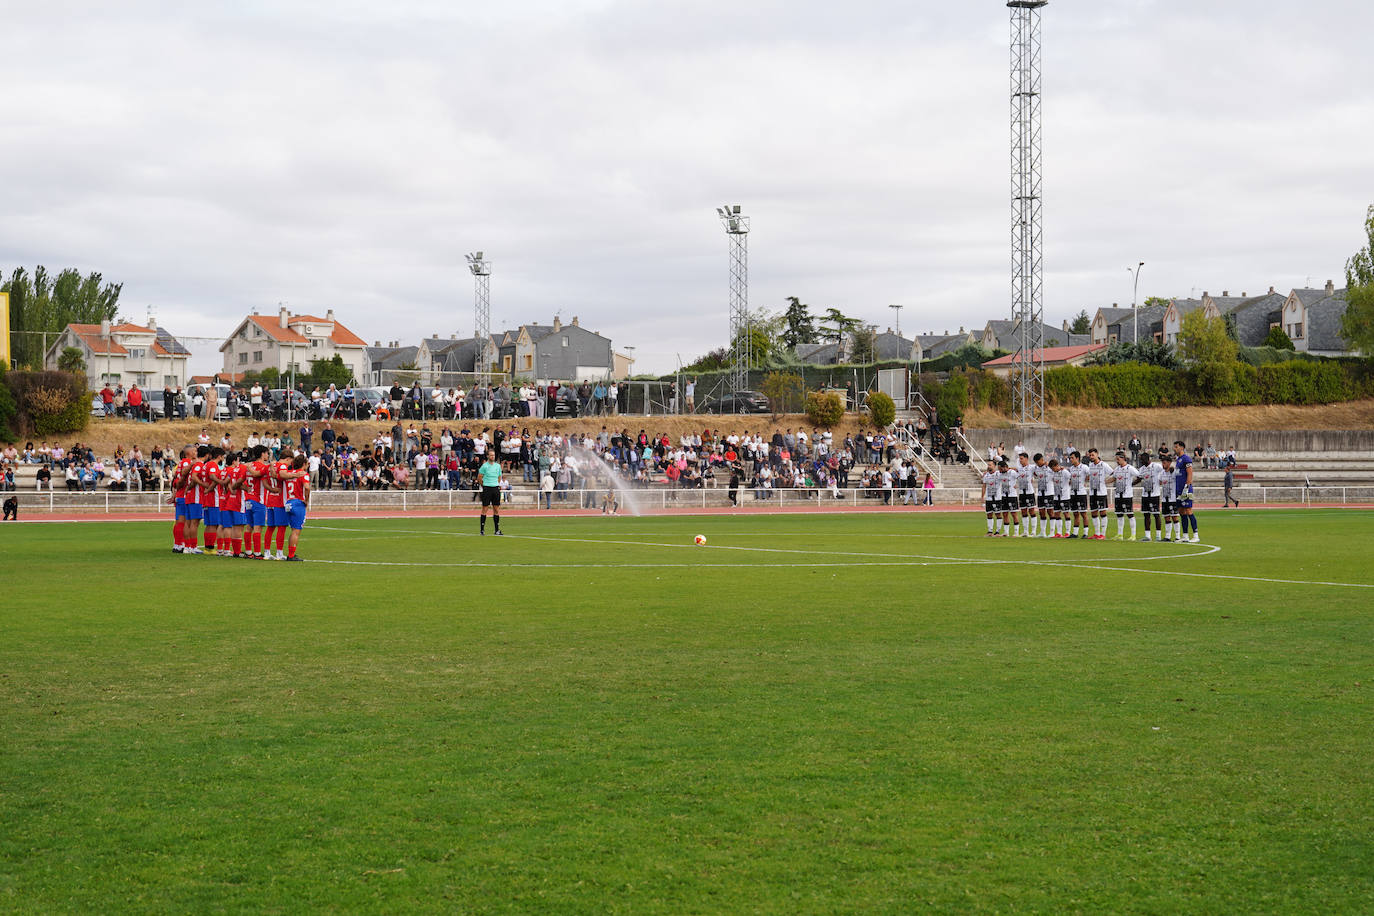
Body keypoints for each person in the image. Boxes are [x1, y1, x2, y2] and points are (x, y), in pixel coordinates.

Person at [281, 453, 311, 560]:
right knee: (296, 531)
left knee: (293, 530)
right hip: (298, 503)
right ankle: (291, 555)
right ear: (303, 464)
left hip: (288, 502)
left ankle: (290, 554)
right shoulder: (303, 474)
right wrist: (306, 500)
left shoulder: (289, 473)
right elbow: (307, 487)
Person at [1110, 452, 1141, 541]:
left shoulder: (1130, 468)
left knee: (1130, 514)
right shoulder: (1117, 469)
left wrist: (1132, 484)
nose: (1117, 461)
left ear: (1123, 458)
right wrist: (1104, 482)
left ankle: (1133, 535)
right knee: (1119, 515)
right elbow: (1114, 478)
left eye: (1118, 459)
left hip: (1127, 495)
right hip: (1118, 495)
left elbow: (1139, 476)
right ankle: (1120, 535)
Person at [1173, 440, 1198, 543]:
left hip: (1186, 489)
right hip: (1178, 490)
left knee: (1188, 510)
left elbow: (1190, 473)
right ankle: (1185, 536)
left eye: (1176, 447)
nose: (1174, 449)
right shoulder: (1178, 460)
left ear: (1182, 448)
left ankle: (1196, 535)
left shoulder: (1186, 459)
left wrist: (1187, 487)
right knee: (1181, 511)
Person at [1138, 452, 1166, 542]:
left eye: (1142, 460)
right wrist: (1130, 484)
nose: (1141, 462)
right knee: (1146, 515)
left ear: (1147, 459)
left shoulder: (1156, 466)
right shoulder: (1142, 469)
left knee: (1156, 515)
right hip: (1145, 495)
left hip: (1155, 495)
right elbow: (1139, 478)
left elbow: (1165, 471)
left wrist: (1162, 480)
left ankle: (1158, 536)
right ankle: (1148, 536)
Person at [1086, 448, 1109, 540]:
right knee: (1094, 513)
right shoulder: (1090, 465)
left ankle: (1102, 534)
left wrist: (1106, 481)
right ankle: (1097, 533)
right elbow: (1089, 476)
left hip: (1101, 493)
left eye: (1092, 455)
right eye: (1090, 455)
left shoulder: (1103, 465)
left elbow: (1113, 473)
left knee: (1102, 513)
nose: (1091, 457)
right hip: (1092, 492)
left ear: (1097, 454)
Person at [478, 453, 504, 534]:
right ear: (488, 456)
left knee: (496, 509)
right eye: (491, 455)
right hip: (487, 488)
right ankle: (482, 530)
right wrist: (484, 485)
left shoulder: (497, 466)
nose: (492, 456)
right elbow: (479, 477)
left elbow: (499, 476)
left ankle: (497, 530)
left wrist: (496, 484)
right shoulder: (484, 466)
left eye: (493, 455)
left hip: (495, 488)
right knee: (484, 509)